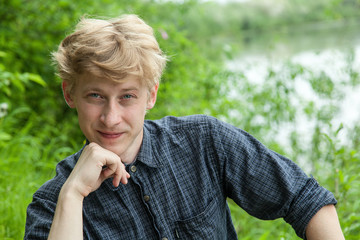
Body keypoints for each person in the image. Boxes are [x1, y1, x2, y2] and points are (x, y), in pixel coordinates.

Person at [24, 14, 345, 240]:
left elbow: (305, 200)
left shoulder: (204, 141)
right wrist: (74, 195)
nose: (111, 117)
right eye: (95, 96)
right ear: (70, 94)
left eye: (127, 97)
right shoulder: (53, 204)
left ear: (151, 95)